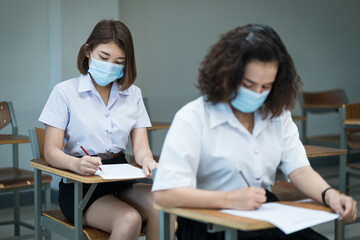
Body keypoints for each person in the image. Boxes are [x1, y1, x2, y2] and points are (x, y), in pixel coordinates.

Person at [152, 24, 357, 240]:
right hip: (207, 216)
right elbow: (165, 194)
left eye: (266, 87)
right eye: (248, 85)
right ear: (227, 76)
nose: (257, 94)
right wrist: (228, 199)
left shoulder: (276, 113)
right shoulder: (194, 117)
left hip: (261, 210)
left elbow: (300, 170)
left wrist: (330, 195)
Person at [39, 20, 160, 240]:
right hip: (81, 181)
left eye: (119, 61)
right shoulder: (65, 92)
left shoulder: (133, 94)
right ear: (88, 51)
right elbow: (51, 151)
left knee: (163, 206)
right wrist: (76, 163)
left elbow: (141, 149)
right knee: (129, 219)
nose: (110, 66)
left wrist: (148, 162)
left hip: (121, 176)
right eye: (104, 58)